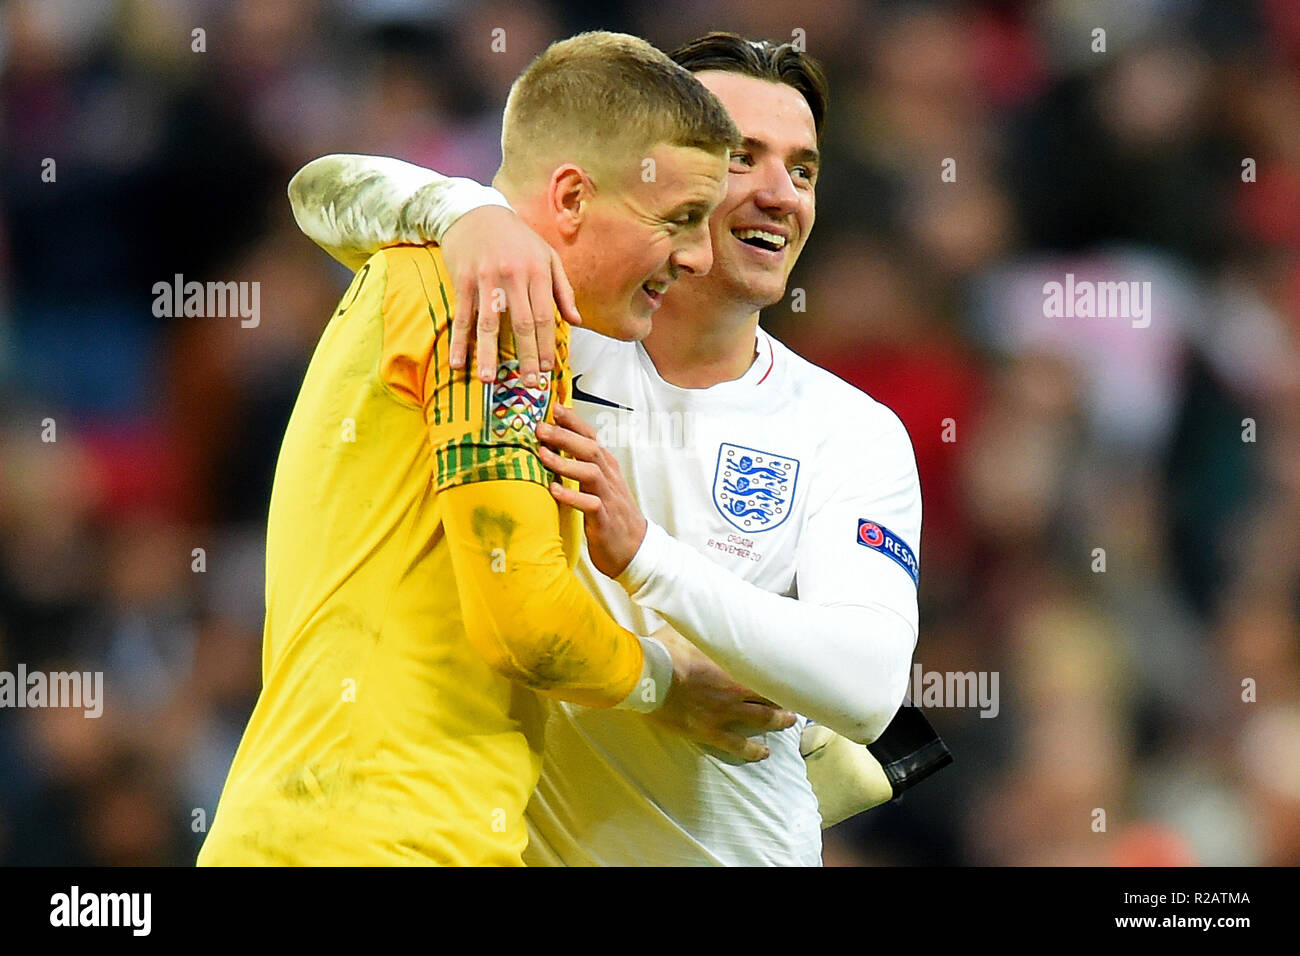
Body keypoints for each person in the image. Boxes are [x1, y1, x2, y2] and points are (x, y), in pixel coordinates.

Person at [290, 33, 949, 866]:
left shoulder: (848, 427)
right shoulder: (535, 328)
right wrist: (465, 213)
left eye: (805, 169)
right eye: (742, 157)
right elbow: (318, 190)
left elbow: (867, 690)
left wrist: (647, 557)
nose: (782, 193)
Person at [196, 31, 773, 867]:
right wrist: (667, 686)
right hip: (387, 840)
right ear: (572, 197)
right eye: (680, 219)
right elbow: (527, 624)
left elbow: (322, 188)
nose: (695, 255)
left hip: (316, 824)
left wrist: (458, 207)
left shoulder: (419, 270)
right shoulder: (497, 308)